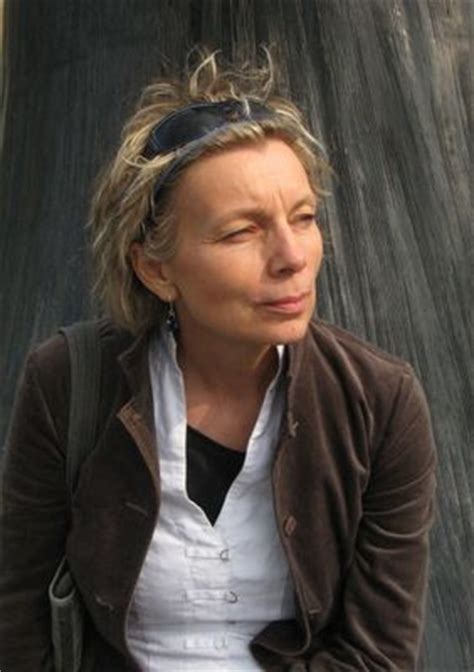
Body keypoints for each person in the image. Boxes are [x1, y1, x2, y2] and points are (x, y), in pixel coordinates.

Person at [0, 48, 436, 672]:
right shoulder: (68, 383)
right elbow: (19, 626)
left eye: (304, 218)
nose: (292, 257)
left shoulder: (379, 404)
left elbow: (378, 656)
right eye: (241, 232)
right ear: (155, 269)